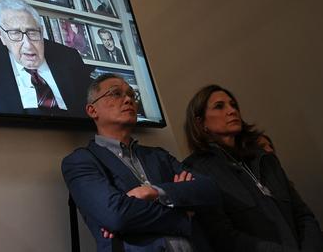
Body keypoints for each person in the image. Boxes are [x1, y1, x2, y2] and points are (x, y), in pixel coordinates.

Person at [62, 74, 220, 252]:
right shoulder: (81, 161)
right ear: (92, 111)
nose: (128, 99)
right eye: (116, 93)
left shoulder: (158, 155)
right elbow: (117, 216)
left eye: (132, 95)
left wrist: (153, 192)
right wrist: (184, 213)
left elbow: (209, 189)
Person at [182, 84, 323, 252]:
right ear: (200, 123)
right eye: (219, 106)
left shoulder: (265, 158)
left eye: (233, 105)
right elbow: (221, 235)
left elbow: (303, 215)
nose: (232, 111)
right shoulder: (197, 169)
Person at [0, 0, 91, 117]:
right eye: (15, 33)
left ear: (41, 30)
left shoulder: (68, 56)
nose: (28, 45)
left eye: (32, 32)